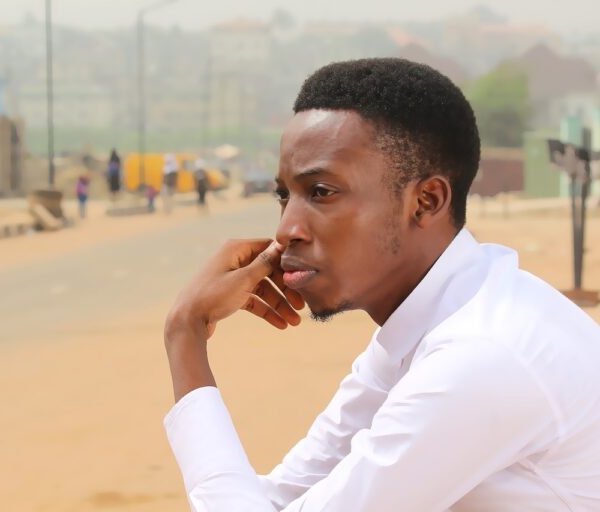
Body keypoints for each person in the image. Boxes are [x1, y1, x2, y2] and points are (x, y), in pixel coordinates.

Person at [163, 58, 600, 511]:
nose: (287, 228)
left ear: (425, 201)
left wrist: (186, 332)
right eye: (284, 195)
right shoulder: (432, 318)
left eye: (322, 193)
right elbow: (281, 496)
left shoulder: (483, 354)